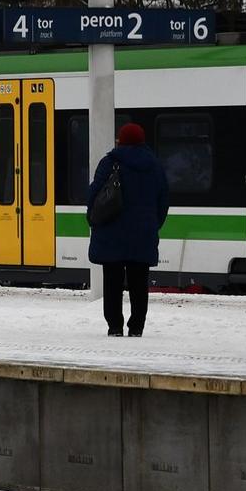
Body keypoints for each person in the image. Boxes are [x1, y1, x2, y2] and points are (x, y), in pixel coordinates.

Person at [87, 122, 170, 337]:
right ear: (142, 141)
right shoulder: (155, 166)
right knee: (139, 283)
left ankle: (115, 326)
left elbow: (94, 194)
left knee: (112, 281)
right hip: (142, 234)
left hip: (111, 233)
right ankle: (137, 327)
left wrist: (95, 221)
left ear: (120, 140)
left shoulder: (109, 163)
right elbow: (163, 202)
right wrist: (152, 225)